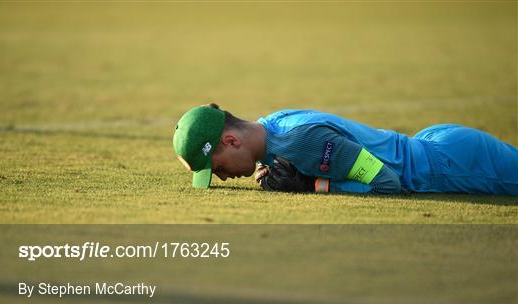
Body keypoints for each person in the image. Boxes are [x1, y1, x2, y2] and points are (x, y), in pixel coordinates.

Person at [172, 103, 518, 195]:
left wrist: (314, 185)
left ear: (231, 141)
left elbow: (389, 183)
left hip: (449, 166)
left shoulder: (300, 142)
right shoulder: (271, 127)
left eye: (215, 167)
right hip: (434, 146)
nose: (222, 177)